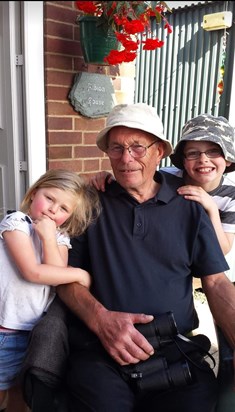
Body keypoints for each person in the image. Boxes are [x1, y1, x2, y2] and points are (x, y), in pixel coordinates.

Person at [57, 103, 235, 412]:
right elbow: (63, 280)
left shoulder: (190, 203)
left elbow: (217, 282)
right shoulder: (88, 202)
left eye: (138, 148)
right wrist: (101, 321)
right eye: (116, 149)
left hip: (175, 350)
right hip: (102, 352)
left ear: (160, 151)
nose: (126, 159)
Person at [0, 169, 100, 412]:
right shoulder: (16, 223)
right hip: (4, 330)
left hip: (32, 332)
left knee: (20, 392)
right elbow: (32, 272)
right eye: (50, 198)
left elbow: (56, 275)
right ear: (34, 194)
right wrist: (80, 274)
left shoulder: (60, 238)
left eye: (64, 208)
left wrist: (48, 237)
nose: (53, 210)